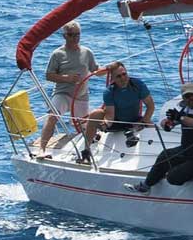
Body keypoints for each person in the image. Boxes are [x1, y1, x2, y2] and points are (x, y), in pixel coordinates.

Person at [128, 82, 193, 193]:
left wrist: (180, 118)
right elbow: (171, 122)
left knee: (173, 177)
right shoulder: (187, 109)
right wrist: (167, 123)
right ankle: (146, 186)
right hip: (190, 151)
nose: (191, 98)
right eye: (187, 96)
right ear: (183, 98)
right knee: (165, 155)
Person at [38, 20, 98, 154]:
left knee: (84, 127)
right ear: (64, 36)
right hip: (62, 93)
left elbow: (95, 70)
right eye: (71, 35)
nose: (75, 37)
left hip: (81, 95)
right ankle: (42, 149)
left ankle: (88, 151)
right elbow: (49, 75)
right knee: (52, 116)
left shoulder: (87, 52)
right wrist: (67, 78)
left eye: (77, 34)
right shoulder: (57, 54)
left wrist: (112, 70)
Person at [81, 61, 154, 158]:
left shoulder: (138, 85)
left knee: (152, 126)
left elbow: (150, 106)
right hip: (115, 122)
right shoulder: (109, 92)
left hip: (134, 121)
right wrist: (105, 124)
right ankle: (86, 151)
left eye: (124, 74)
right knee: (95, 113)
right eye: (118, 76)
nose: (123, 78)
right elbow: (110, 116)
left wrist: (143, 122)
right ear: (113, 79)